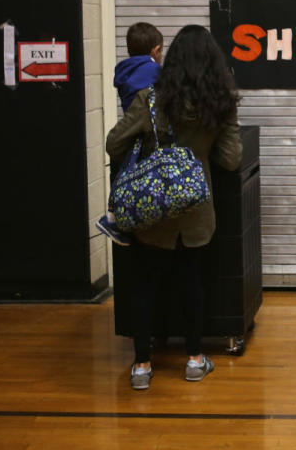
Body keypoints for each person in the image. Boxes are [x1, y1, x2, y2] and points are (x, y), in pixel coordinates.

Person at [106, 24, 243, 390]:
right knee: (191, 283)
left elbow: (113, 143)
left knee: (145, 285)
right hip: (195, 211)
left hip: (152, 213)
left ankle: (141, 366)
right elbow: (231, 159)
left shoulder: (150, 99)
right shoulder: (220, 104)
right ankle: (196, 360)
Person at [96, 22, 164, 246]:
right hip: (146, 131)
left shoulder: (124, 70)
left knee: (127, 169)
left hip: (132, 128)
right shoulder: (153, 70)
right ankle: (116, 218)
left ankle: (114, 214)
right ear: (155, 50)